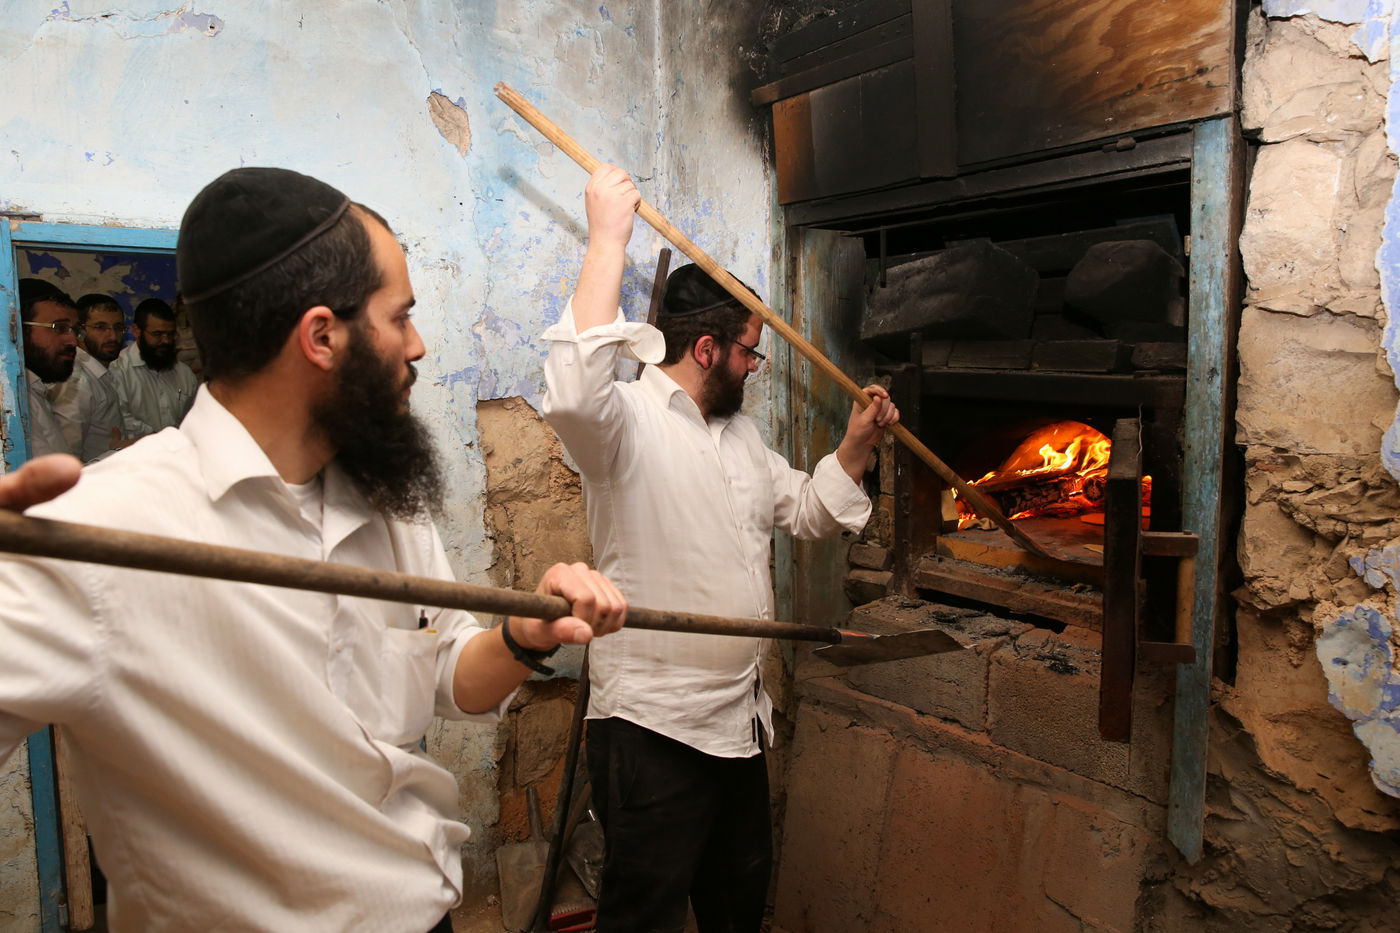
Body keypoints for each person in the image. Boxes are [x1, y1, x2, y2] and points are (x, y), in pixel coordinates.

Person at [0, 167, 628, 933]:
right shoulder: (99, 534)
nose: (418, 345)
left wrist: (523, 637)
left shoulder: (383, 498)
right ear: (323, 336)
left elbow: (447, 674)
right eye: (401, 317)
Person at [541, 165, 899, 933]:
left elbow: (809, 510)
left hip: (739, 724)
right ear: (707, 348)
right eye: (748, 353)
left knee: (737, 907)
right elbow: (571, 393)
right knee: (643, 918)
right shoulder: (624, 424)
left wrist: (856, 444)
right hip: (652, 728)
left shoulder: (740, 436)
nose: (755, 368)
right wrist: (607, 240)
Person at [49, 292, 125, 460]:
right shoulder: (77, 380)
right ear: (79, 331)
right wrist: (118, 452)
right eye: (100, 327)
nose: (113, 336)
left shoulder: (100, 373)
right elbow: (68, 460)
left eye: (118, 327)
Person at [110, 296, 198, 438]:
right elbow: (120, 420)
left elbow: (192, 419)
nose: (166, 341)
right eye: (157, 334)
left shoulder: (184, 374)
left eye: (170, 334)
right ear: (136, 331)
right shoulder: (118, 371)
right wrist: (158, 440)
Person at [18, 278, 79, 457]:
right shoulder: (10, 399)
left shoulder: (33, 389)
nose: (73, 341)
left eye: (74, 330)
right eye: (59, 328)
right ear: (18, 329)